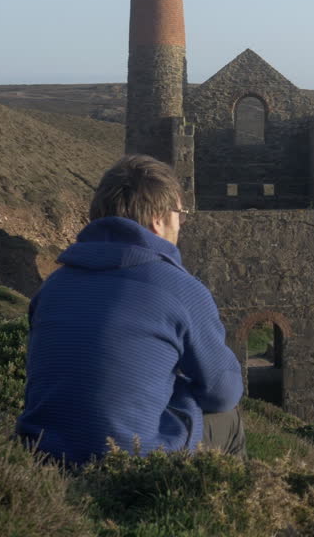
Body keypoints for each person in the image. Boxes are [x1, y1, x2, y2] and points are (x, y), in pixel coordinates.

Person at [16, 154, 245, 465]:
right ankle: (220, 508)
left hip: (42, 453)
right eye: (180, 213)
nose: (182, 223)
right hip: (129, 460)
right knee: (229, 420)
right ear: (158, 218)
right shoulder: (179, 289)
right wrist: (181, 394)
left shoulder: (53, 286)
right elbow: (223, 393)